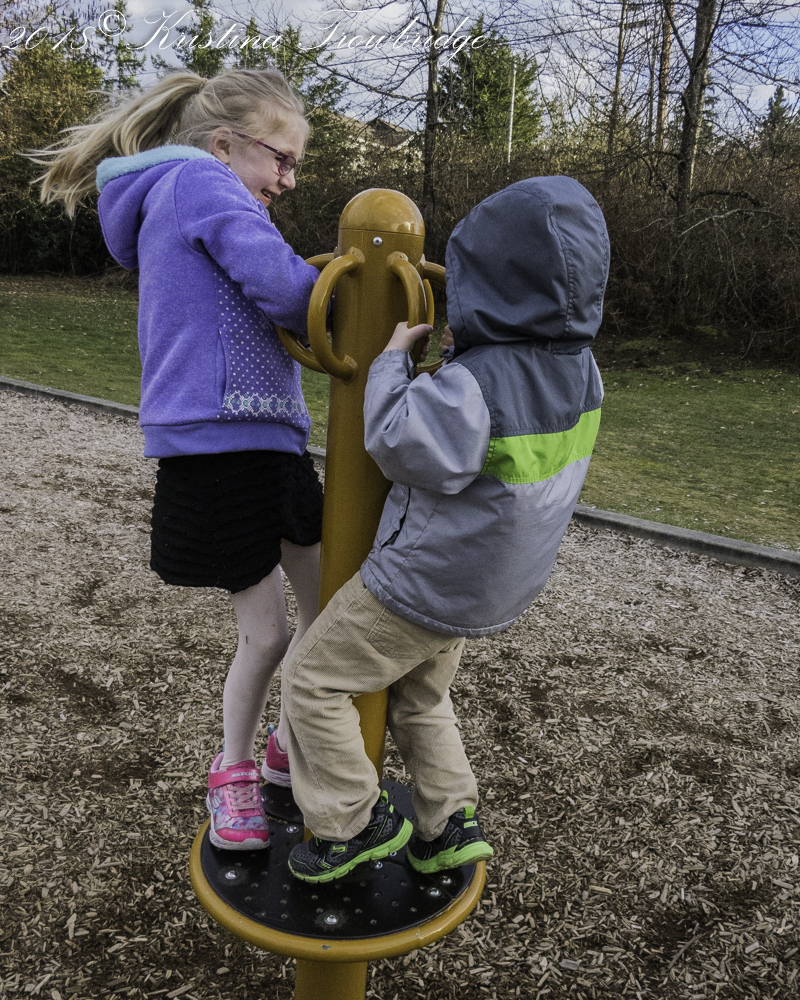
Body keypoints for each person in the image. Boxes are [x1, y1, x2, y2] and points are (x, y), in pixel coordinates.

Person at [280, 175, 610, 882]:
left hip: (423, 582)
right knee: (420, 695)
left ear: (491, 284)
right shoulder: (583, 372)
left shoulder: (479, 383)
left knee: (313, 679)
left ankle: (351, 822)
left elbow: (397, 442)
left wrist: (391, 362)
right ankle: (448, 822)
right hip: (495, 586)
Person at [33, 69, 324, 851]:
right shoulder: (201, 185)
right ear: (225, 144)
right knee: (269, 633)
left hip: (268, 436)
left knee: (329, 613)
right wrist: (352, 298)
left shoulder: (203, 190)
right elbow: (284, 289)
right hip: (222, 441)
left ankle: (286, 743)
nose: (289, 179)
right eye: (281, 159)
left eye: (296, 165)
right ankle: (233, 770)